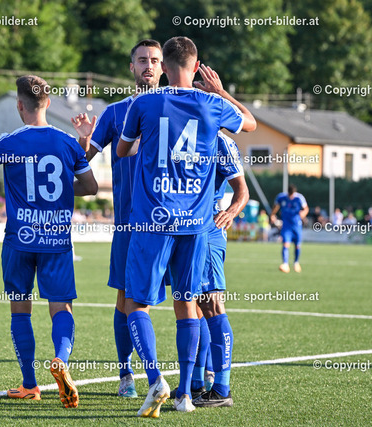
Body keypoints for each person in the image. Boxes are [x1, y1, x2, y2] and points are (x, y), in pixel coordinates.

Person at [116, 36, 256, 416]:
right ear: (196, 68)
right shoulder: (214, 105)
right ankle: (185, 394)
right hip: (195, 224)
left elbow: (122, 150)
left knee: (136, 303)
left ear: (163, 68)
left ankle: (155, 379)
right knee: (187, 304)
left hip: (153, 220)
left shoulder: (144, 102)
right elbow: (250, 123)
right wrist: (221, 92)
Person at [0, 75, 98, 408]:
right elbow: (90, 187)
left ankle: (29, 384)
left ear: (19, 105)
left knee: (20, 310)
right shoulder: (68, 142)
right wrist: (78, 157)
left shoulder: (7, 142)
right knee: (60, 307)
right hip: (56, 240)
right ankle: (61, 360)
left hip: (19, 240)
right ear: (49, 103)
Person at [71, 39, 163, 399]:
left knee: (190, 298)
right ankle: (126, 372)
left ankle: (196, 380)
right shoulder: (115, 113)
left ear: (164, 67)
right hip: (129, 223)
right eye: (142, 60)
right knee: (126, 298)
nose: (148, 66)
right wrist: (83, 141)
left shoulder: (177, 107)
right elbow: (83, 163)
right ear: (131, 67)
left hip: (175, 222)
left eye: (154, 60)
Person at [188, 133, 249, 408]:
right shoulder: (186, 129)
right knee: (194, 304)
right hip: (185, 229)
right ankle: (196, 382)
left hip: (209, 231)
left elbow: (242, 190)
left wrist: (231, 212)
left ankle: (222, 388)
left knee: (212, 304)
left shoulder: (221, 141)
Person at [270, 184, 308, 273]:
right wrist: (272, 215)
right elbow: (276, 206)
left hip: (297, 225)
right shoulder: (281, 197)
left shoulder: (299, 198)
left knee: (297, 245)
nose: (290, 196)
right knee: (286, 244)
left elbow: (306, 209)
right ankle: (285, 264)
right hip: (286, 226)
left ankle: (296, 263)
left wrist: (303, 214)